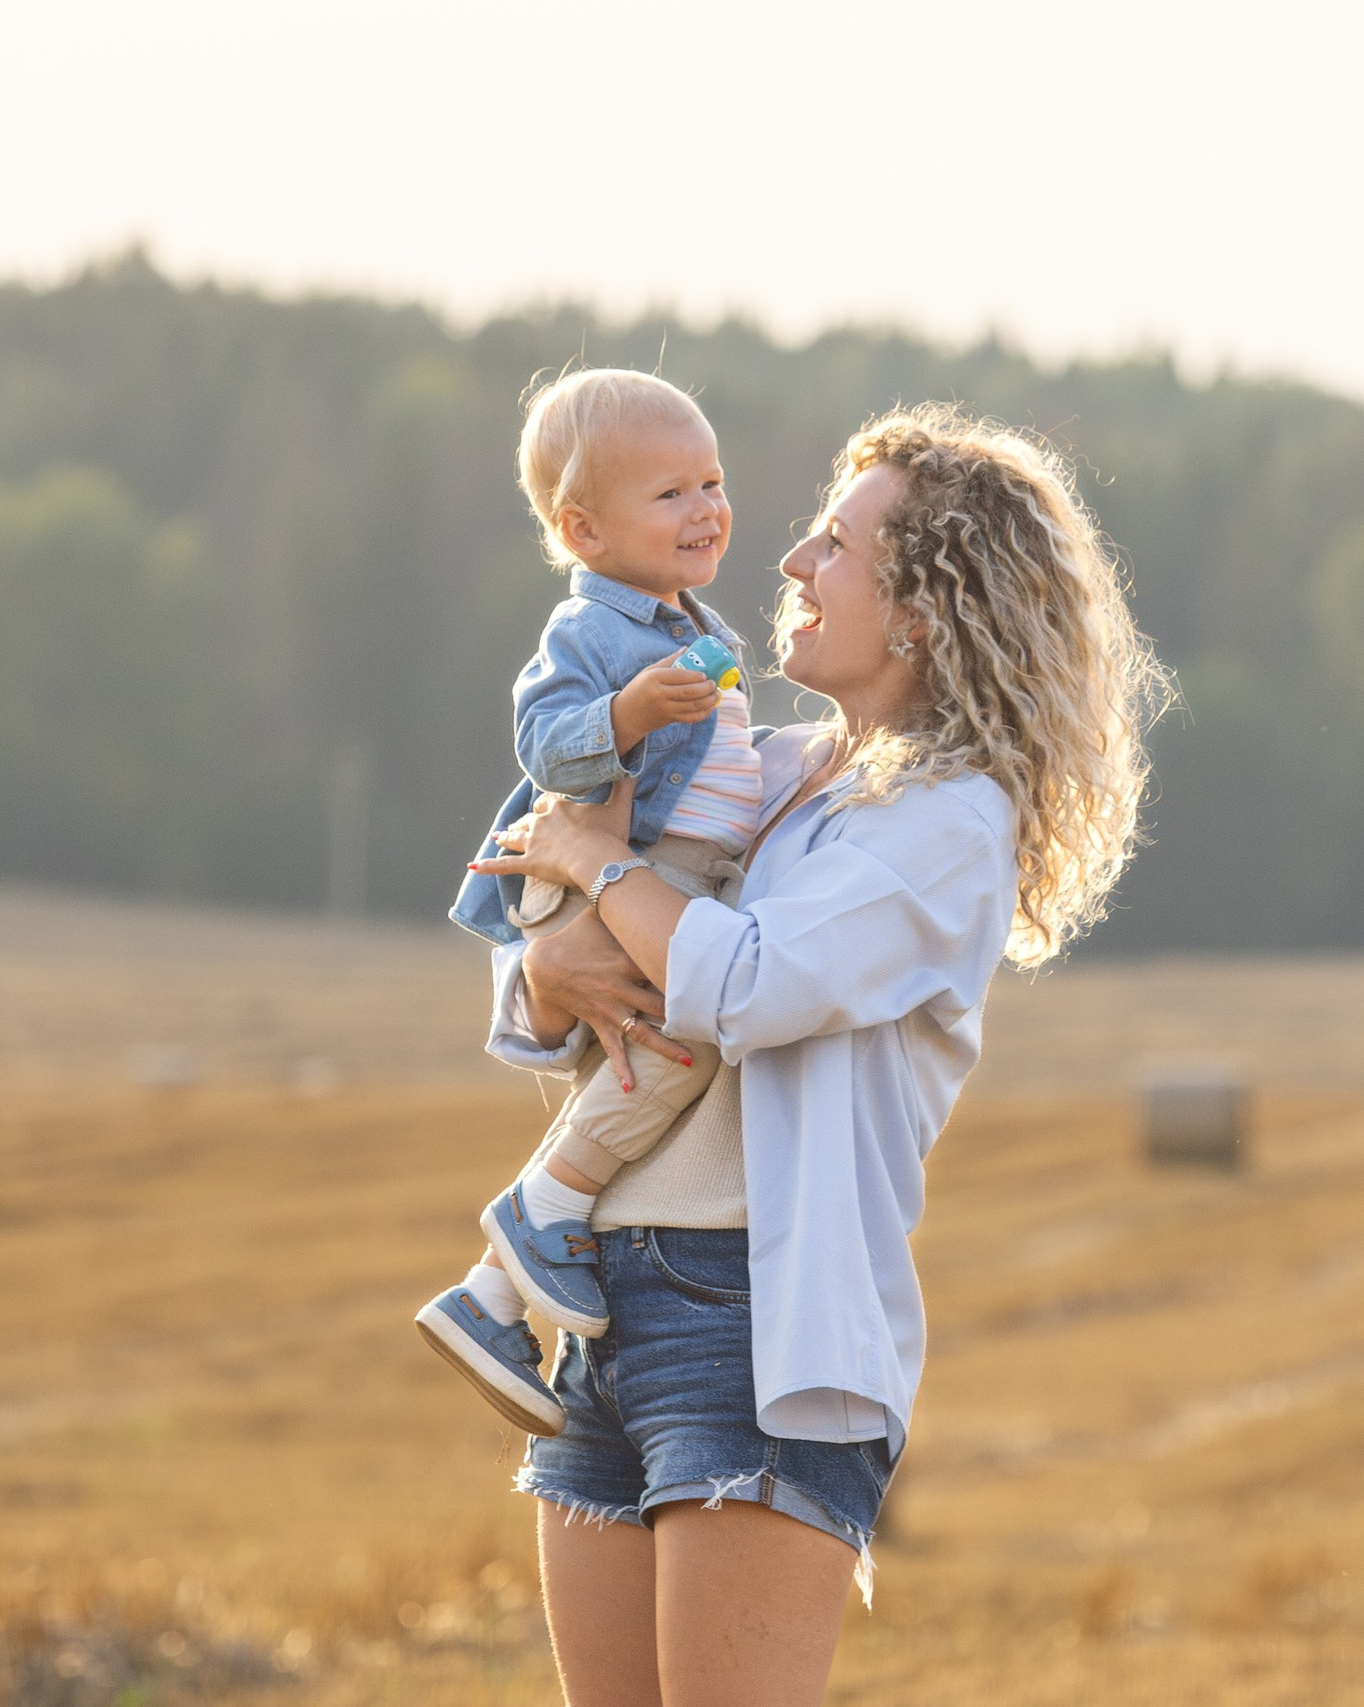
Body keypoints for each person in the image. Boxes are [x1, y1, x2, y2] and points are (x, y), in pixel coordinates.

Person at [467, 405, 1169, 1705]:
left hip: (751, 1315)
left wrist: (600, 868)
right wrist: (543, 971)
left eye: (835, 544)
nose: (789, 560)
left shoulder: (949, 821)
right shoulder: (768, 768)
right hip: (600, 1296)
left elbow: (744, 983)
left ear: (924, 606)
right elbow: (567, 954)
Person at [417, 368, 760, 1432]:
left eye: (712, 482)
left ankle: (490, 1299)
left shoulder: (695, 625)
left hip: (655, 878)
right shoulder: (593, 634)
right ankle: (546, 1207)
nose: (705, 508)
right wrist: (624, 714)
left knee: (671, 1039)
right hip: (605, 873)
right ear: (582, 529)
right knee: (681, 1035)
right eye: (670, 493)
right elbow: (545, 744)